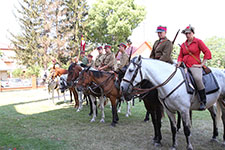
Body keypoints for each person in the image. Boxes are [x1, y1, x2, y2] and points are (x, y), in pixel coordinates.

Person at [176, 25, 212, 110]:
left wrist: (202, 63)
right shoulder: (183, 44)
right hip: (184, 66)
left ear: (193, 33)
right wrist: (179, 62)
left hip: (194, 65)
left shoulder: (198, 42)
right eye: (186, 33)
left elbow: (207, 52)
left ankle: (203, 101)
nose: (187, 35)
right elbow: (180, 55)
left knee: (197, 78)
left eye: (189, 33)